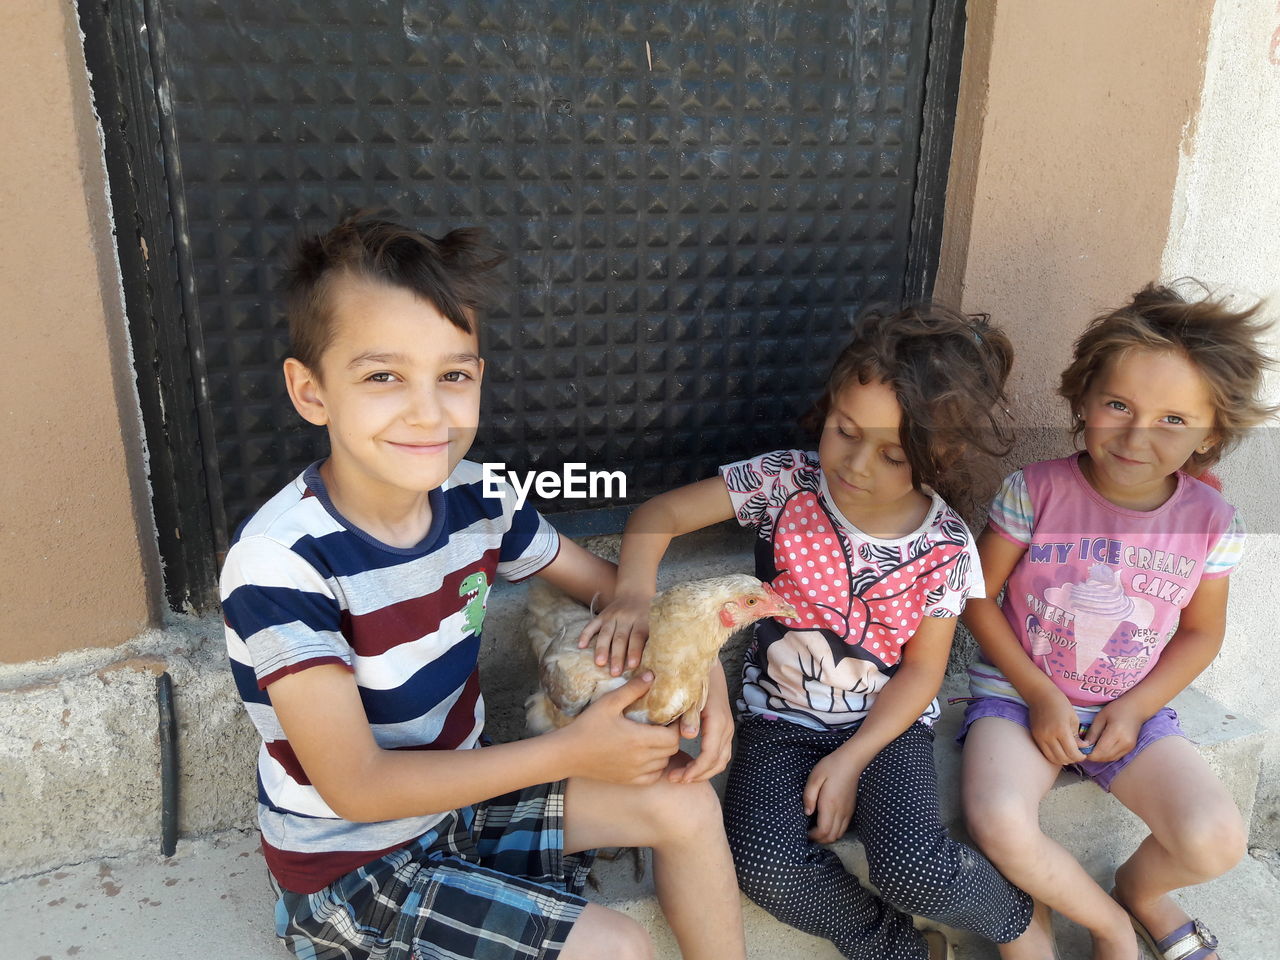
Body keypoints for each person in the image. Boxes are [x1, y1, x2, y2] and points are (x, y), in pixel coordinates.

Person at [221, 214, 745, 960]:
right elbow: (357, 787)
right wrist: (573, 754)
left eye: (453, 375)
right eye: (382, 376)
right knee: (618, 948)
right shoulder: (283, 562)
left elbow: (619, 600)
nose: (428, 411)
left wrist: (705, 686)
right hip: (357, 869)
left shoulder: (480, 499)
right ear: (311, 392)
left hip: (465, 800)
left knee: (688, 805)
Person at [579, 306, 1045, 960]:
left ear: (943, 452)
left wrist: (852, 759)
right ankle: (896, 948)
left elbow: (922, 673)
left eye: (891, 453)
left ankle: (1017, 919)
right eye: (844, 429)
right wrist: (633, 591)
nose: (855, 463)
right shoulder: (784, 482)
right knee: (765, 864)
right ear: (827, 407)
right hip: (779, 719)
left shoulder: (945, 546)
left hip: (889, 729)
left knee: (911, 865)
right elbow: (660, 512)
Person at [958, 283, 1275, 960]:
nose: (1136, 435)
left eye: (1172, 420)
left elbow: (1200, 632)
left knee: (1215, 837)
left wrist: (1134, 709)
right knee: (998, 820)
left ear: (1213, 432)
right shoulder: (1035, 491)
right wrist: (1041, 695)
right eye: (1118, 406)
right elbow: (976, 598)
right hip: (1018, 697)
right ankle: (1102, 924)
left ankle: (1142, 893)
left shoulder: (1212, 523)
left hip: (1129, 709)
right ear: (1083, 399)